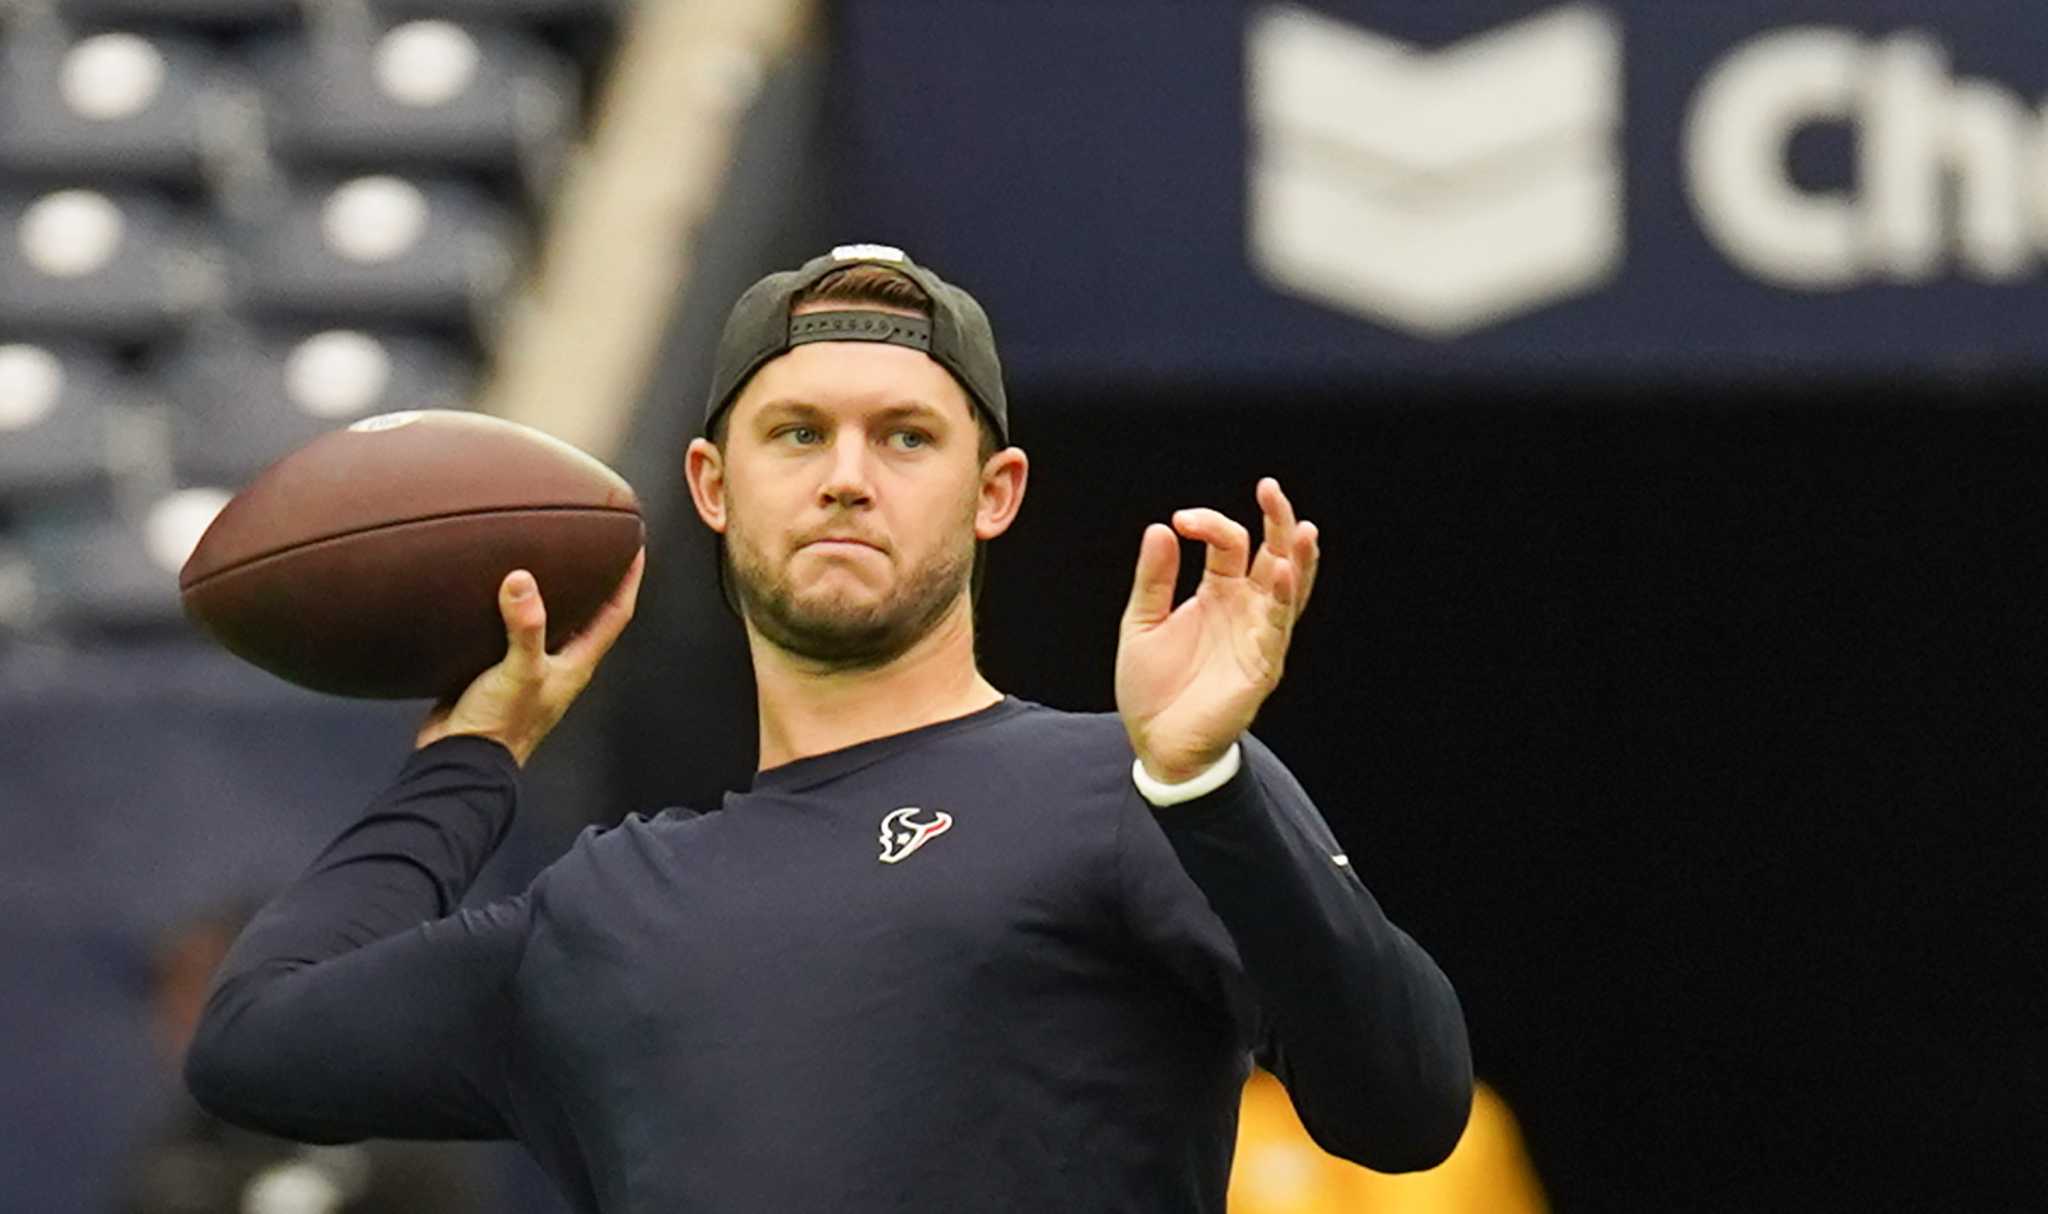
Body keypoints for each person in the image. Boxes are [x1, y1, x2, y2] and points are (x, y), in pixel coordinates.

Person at [184, 245, 1473, 1212]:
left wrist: (1210, 790)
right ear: (711, 484)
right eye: (796, 433)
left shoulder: (1130, 790)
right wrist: (473, 754)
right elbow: (255, 1047)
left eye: (906, 436)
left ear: (995, 492)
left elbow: (1408, 1107)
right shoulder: (604, 911)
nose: (846, 474)